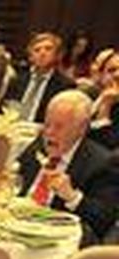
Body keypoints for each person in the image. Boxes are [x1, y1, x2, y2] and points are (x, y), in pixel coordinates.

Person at [14, 89, 119, 247]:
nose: (49, 133)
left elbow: (103, 221)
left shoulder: (102, 163)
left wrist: (72, 196)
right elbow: (17, 182)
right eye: (47, 124)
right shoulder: (39, 145)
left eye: (59, 127)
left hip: (58, 242)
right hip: (19, 227)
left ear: (81, 129)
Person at [2, 32, 75, 124]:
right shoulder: (17, 80)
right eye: (37, 50)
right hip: (13, 127)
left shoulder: (66, 86)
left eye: (48, 49)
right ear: (31, 57)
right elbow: (3, 107)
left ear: (57, 55)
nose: (42, 53)